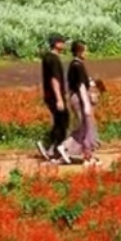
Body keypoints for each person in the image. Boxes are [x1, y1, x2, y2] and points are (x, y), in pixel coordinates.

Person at [61, 40, 103, 165]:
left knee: (86, 127)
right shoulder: (77, 66)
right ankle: (67, 148)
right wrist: (86, 105)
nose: (87, 53)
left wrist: (93, 83)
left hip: (78, 98)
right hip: (79, 99)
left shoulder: (77, 64)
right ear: (79, 51)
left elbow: (83, 82)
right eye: (85, 50)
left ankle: (87, 155)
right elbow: (80, 86)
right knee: (86, 127)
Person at [37, 34, 69, 162]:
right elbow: (54, 79)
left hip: (49, 95)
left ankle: (48, 147)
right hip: (55, 96)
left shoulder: (47, 57)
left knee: (58, 122)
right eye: (62, 42)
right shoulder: (54, 59)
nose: (64, 44)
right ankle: (56, 150)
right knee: (63, 122)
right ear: (56, 44)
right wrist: (59, 98)